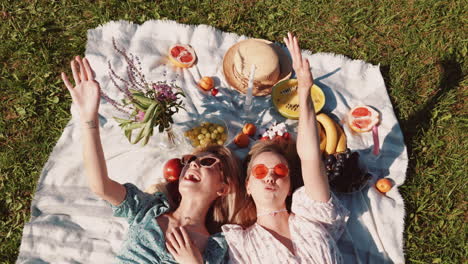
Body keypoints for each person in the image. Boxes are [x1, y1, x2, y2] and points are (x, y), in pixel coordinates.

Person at [61, 56, 244, 264]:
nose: (193, 164)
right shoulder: (151, 208)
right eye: (191, 159)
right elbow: (101, 187)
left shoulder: (216, 246)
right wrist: (89, 118)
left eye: (206, 162)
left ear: (223, 187)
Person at [221, 33, 350, 263]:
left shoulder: (311, 215)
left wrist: (304, 90)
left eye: (280, 171)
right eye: (260, 172)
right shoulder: (240, 244)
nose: (270, 176)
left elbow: (310, 156)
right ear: (248, 185)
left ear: (290, 187)